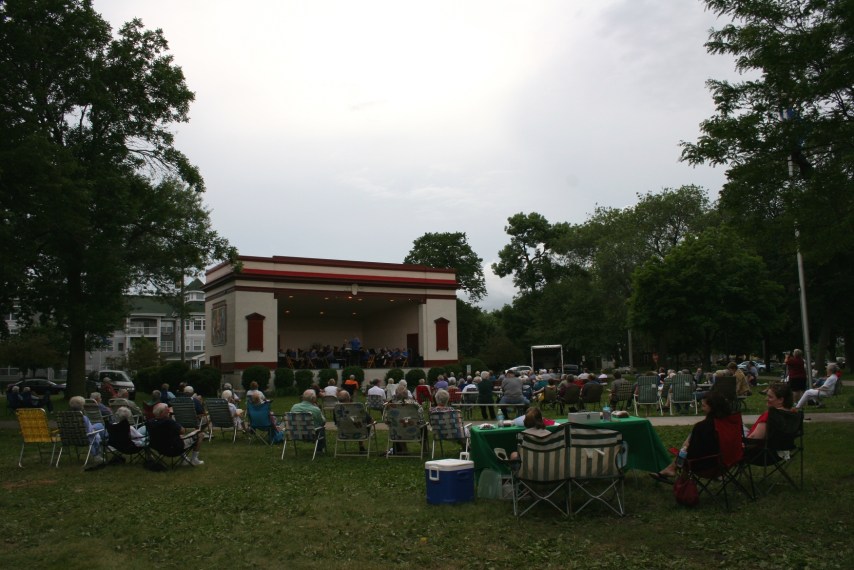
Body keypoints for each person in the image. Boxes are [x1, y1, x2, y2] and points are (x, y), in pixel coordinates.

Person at [649, 391, 731, 482]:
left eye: (704, 406)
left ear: (713, 407)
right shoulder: (730, 423)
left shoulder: (703, 427)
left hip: (706, 466)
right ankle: (672, 469)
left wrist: (684, 450)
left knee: (687, 448)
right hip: (729, 462)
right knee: (689, 441)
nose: (702, 408)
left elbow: (693, 452)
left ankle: (679, 480)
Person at [69, 395, 105, 463]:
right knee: (100, 427)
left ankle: (105, 438)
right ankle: (104, 443)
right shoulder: (83, 418)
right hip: (84, 438)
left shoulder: (67, 417)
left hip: (72, 437)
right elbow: (90, 432)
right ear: (82, 406)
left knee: (98, 425)